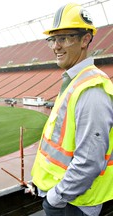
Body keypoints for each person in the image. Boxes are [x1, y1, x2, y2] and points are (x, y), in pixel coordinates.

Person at [31, 3, 113, 216]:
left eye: (64, 38)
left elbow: (89, 161)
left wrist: (54, 198)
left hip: (74, 205)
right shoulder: (74, 82)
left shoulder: (91, 90)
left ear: (85, 40)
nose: (55, 46)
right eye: (53, 39)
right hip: (66, 199)